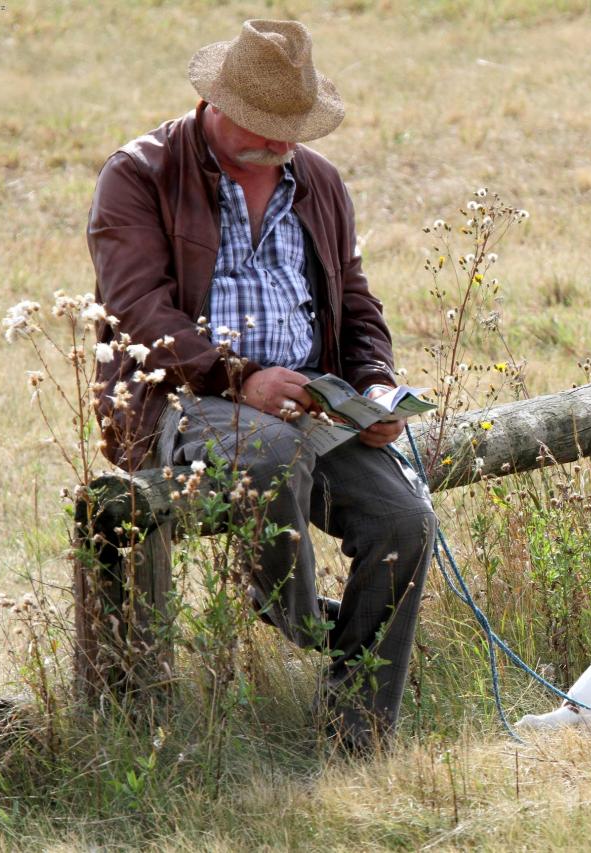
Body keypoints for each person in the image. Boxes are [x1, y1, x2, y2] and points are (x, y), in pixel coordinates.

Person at [86, 19, 436, 754]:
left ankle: (357, 737)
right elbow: (138, 308)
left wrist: (375, 385)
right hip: (184, 399)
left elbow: (355, 301)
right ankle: (304, 622)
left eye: (292, 127)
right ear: (218, 101)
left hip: (311, 399)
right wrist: (237, 377)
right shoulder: (141, 174)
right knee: (274, 452)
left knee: (404, 520)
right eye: (264, 124)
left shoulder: (320, 182)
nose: (281, 142)